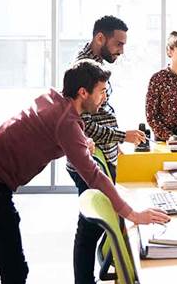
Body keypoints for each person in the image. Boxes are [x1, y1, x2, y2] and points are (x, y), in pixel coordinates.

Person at [0, 59, 169, 284]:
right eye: (102, 91)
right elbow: (92, 174)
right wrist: (132, 214)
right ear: (83, 92)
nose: (104, 97)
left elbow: (54, 128)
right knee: (14, 271)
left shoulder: (55, 100)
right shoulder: (66, 123)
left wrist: (82, 140)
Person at [67, 15, 147, 284]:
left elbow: (101, 113)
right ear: (100, 38)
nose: (121, 51)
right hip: (88, 157)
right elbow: (85, 124)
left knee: (93, 224)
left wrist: (115, 143)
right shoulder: (83, 67)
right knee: (88, 227)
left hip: (102, 152)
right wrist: (121, 136)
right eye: (118, 44)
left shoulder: (96, 63)